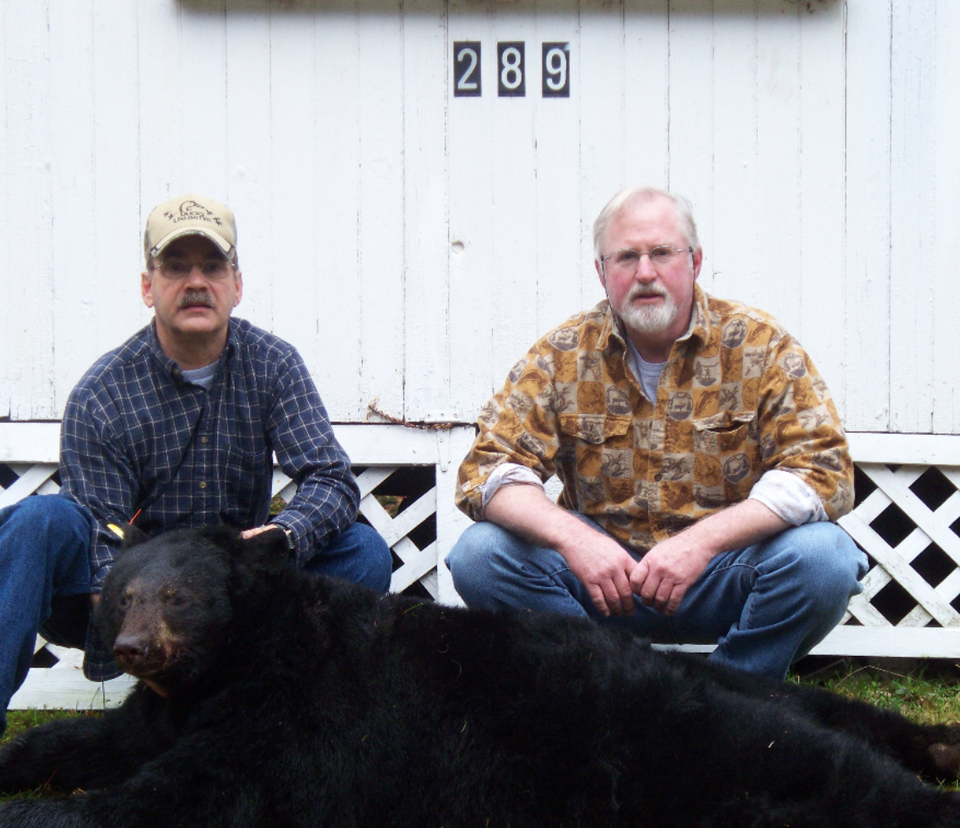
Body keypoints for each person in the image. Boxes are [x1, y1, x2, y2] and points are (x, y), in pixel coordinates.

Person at [0, 193, 392, 725]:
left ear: (236, 284)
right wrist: (148, 628)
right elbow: (102, 535)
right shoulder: (102, 392)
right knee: (39, 520)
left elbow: (330, 478)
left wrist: (285, 534)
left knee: (362, 550)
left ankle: (310, 720)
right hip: (121, 597)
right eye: (175, 267)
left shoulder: (273, 364)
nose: (195, 282)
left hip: (229, 592)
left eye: (212, 266)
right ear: (148, 287)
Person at [447, 186, 867, 680]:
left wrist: (702, 543)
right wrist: (576, 542)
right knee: (480, 555)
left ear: (695, 261)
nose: (645, 273)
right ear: (603, 272)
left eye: (662, 253)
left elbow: (824, 470)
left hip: (720, 574)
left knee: (824, 558)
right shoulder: (562, 355)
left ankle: (734, 698)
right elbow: (485, 471)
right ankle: (604, 687)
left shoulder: (758, 345)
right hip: (602, 581)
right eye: (626, 257)